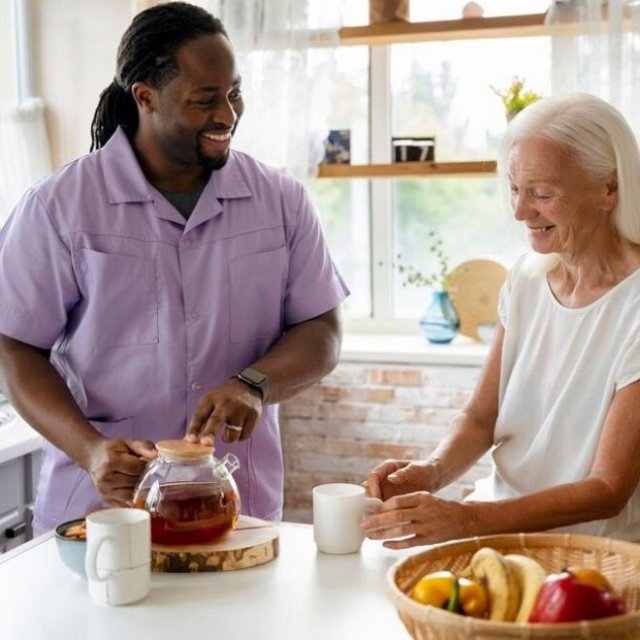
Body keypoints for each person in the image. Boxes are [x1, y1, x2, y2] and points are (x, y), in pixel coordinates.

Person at [0, 2, 348, 534]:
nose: (228, 114)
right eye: (205, 100)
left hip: (238, 508)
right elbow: (15, 346)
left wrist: (253, 384)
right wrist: (91, 450)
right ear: (145, 97)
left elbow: (321, 330)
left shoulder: (280, 200)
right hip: (102, 512)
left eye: (234, 93)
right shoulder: (59, 207)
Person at [363, 92, 640, 548]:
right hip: (499, 533)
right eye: (514, 189)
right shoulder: (527, 280)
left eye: (543, 194)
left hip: (595, 555)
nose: (520, 211)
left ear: (609, 188)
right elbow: (480, 417)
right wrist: (430, 472)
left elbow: (608, 490)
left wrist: (469, 519)